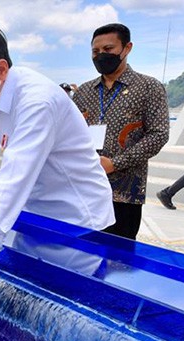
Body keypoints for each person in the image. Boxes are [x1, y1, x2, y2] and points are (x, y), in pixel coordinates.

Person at [0, 26, 114, 331]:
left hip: (74, 221)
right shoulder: (5, 88)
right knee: (31, 307)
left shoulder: (37, 101)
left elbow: (9, 185)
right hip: (35, 215)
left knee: (71, 315)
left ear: (0, 69)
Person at [72, 23, 169, 240]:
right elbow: (70, 134)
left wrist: (115, 163)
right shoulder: (84, 91)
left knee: (117, 261)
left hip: (124, 193)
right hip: (84, 189)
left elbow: (159, 134)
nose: (101, 56)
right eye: (95, 52)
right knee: (81, 253)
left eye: (108, 49)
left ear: (127, 48)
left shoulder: (149, 87)